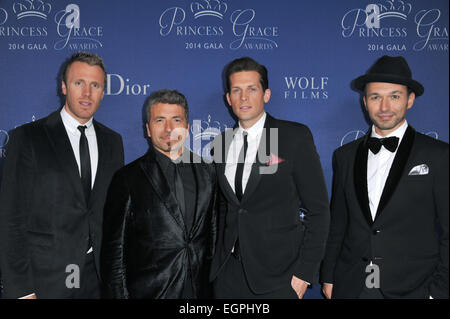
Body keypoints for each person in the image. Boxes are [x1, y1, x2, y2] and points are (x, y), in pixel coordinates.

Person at [320, 55, 449, 299]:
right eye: (376, 97)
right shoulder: (345, 156)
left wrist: (439, 292)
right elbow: (338, 223)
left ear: (410, 100)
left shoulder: (439, 156)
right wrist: (328, 276)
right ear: (364, 101)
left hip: (415, 287)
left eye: (395, 96)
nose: (385, 107)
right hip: (354, 284)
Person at [0, 52, 124, 299]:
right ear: (64, 86)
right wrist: (22, 291)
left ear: (103, 92)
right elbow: (11, 218)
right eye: (79, 83)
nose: (87, 93)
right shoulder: (28, 138)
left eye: (95, 85)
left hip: (97, 279)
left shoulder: (113, 142)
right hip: (45, 282)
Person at [210, 57, 330, 299]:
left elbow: (318, 211)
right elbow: (226, 208)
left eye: (251, 89)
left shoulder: (293, 136)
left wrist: (304, 274)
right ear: (228, 98)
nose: (243, 98)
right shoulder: (220, 143)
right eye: (236, 90)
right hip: (227, 275)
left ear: (266, 94)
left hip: (279, 278)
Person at [101, 89, 217, 299]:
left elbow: (214, 240)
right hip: (150, 293)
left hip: (200, 293)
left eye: (176, 119)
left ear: (188, 127)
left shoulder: (208, 172)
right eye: (159, 120)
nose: (169, 128)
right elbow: (114, 254)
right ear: (147, 128)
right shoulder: (127, 178)